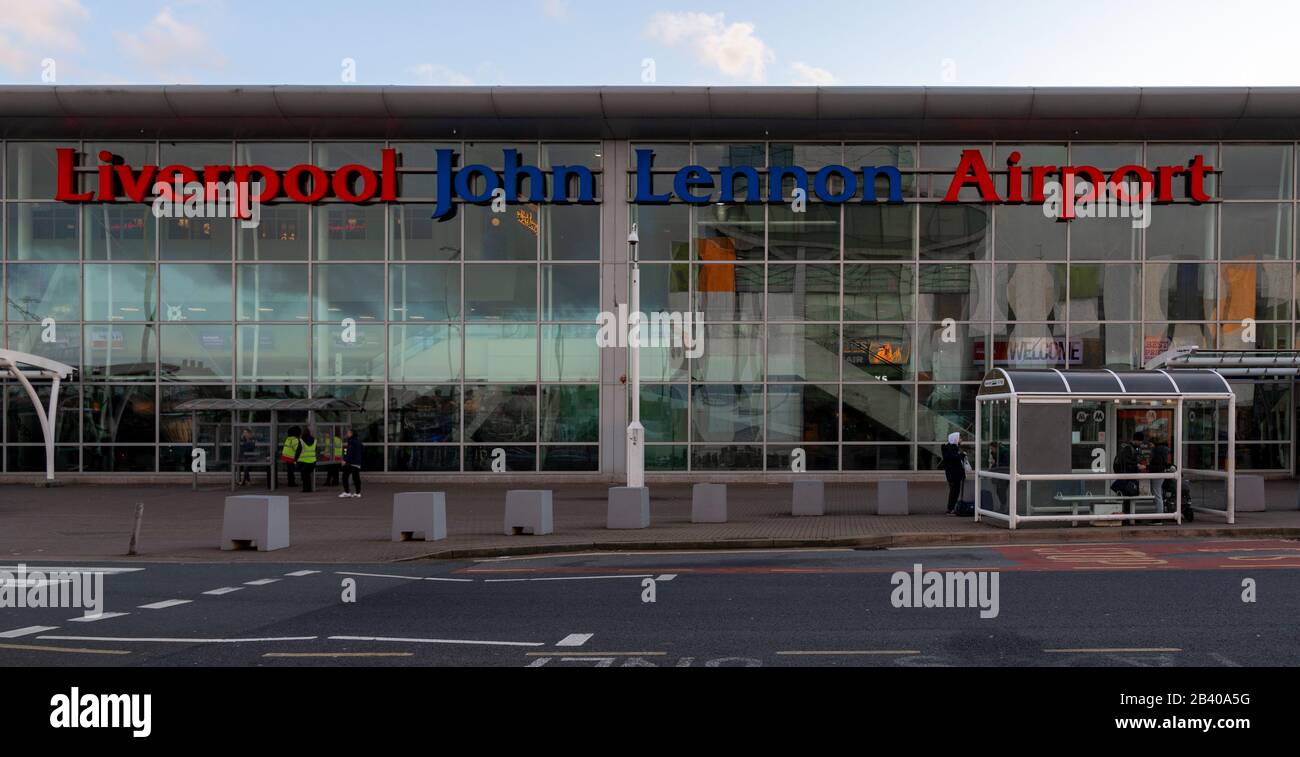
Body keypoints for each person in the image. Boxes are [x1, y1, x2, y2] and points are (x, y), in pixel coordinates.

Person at [940, 431, 969, 515]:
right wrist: (961, 455)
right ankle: (950, 508)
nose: (961, 439)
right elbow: (952, 458)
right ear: (955, 439)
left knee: (955, 491)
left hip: (954, 474)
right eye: (959, 438)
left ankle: (951, 508)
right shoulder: (950, 448)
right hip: (953, 474)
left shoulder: (952, 448)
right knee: (954, 491)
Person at [339, 429, 364, 499]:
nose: (347, 434)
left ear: (351, 434)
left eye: (348, 433)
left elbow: (349, 452)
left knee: (344, 476)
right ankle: (357, 493)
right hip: (357, 462)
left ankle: (347, 492)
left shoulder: (351, 441)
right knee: (356, 477)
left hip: (351, 463)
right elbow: (362, 450)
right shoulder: (358, 441)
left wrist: (345, 460)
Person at [296, 427, 317, 493]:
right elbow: (315, 450)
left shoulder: (301, 440)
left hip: (303, 462)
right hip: (312, 462)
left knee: (305, 475)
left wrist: (295, 459)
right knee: (307, 475)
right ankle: (308, 488)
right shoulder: (314, 440)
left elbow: (298, 451)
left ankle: (306, 489)